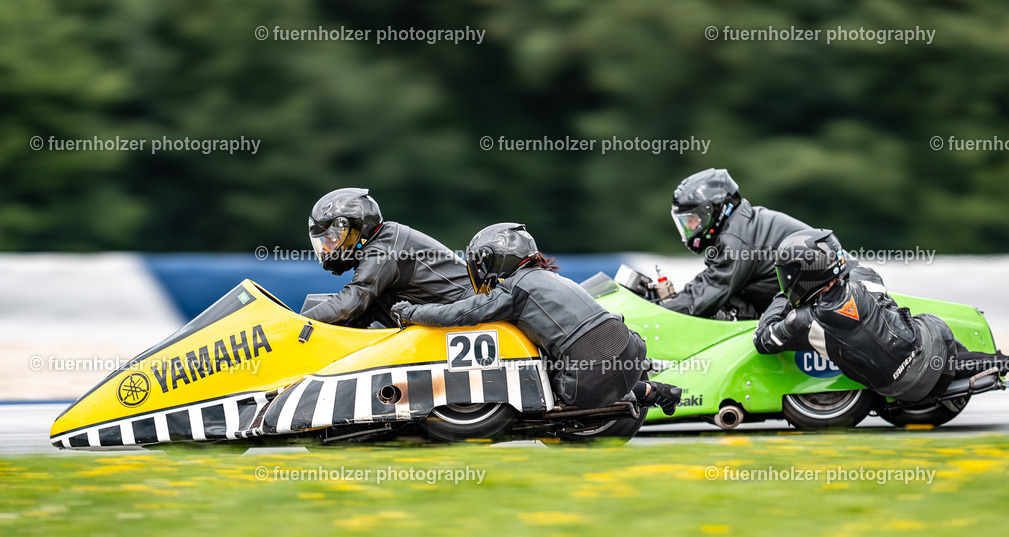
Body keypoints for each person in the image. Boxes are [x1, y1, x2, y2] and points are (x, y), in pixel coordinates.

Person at [390, 223, 683, 413]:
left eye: (482, 262)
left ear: (496, 260)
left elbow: (460, 314)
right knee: (559, 358)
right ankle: (651, 391)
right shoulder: (552, 277)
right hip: (628, 348)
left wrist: (410, 312)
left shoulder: (514, 288)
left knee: (530, 378)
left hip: (590, 370)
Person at [753, 229, 1009, 402]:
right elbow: (852, 268)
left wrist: (783, 297)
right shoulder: (865, 278)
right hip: (930, 344)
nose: (784, 280)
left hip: (896, 390)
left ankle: (998, 363)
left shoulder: (803, 322)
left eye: (786, 274)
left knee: (928, 359)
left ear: (802, 275)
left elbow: (762, 340)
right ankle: (1007, 361)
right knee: (932, 339)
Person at [665, 168, 835, 319]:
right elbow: (711, 283)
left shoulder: (735, 238)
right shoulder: (743, 225)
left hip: (835, 301)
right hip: (827, 301)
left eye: (692, 219)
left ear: (712, 210)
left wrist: (657, 311)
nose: (689, 227)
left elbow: (705, 294)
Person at [303, 188, 472, 327]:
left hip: (467, 314)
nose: (325, 249)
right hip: (453, 314)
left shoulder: (382, 251)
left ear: (356, 232)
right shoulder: (385, 238)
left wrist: (296, 322)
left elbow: (352, 301)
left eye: (331, 240)